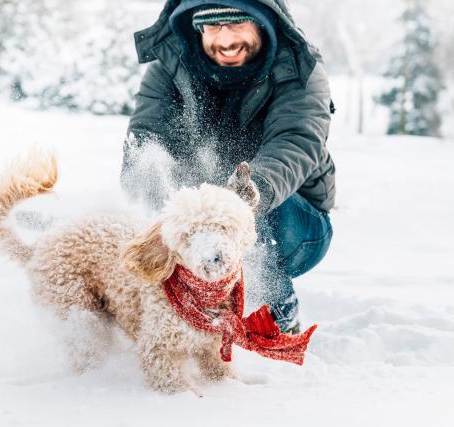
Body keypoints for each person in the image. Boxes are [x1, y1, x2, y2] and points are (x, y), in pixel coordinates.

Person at [121, 0, 335, 334]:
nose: (225, 39)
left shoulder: (298, 67)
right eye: (212, 27)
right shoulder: (169, 65)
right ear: (196, 29)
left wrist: (252, 191)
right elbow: (146, 137)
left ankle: (274, 314)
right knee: (175, 222)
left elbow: (295, 141)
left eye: (236, 24)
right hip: (201, 207)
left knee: (244, 210)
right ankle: (183, 315)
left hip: (294, 221)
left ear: (263, 23)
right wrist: (146, 190)